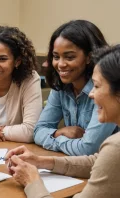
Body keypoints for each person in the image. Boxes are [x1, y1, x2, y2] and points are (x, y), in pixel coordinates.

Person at [0, 44, 120, 198]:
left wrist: (30, 181)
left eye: (97, 86)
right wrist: (42, 161)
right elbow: (97, 161)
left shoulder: (115, 147)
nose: (91, 94)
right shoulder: (112, 149)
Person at [33, 20, 117, 156]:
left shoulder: (105, 89)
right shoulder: (61, 85)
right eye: (56, 57)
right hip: (75, 169)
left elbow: (88, 149)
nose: (60, 64)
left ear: (89, 57)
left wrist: (54, 140)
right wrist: (58, 132)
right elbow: (38, 131)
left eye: (69, 57)